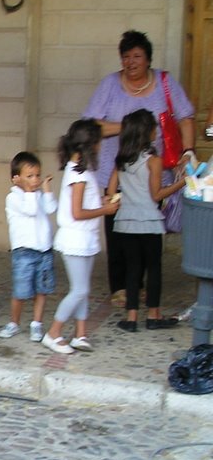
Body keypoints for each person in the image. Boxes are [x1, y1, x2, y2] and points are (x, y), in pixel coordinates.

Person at [82, 30, 195, 308]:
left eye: (137, 56)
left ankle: (140, 285)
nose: (131, 62)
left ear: (148, 59)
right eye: (126, 57)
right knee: (117, 227)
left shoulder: (166, 83)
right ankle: (120, 286)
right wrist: (131, 129)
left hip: (155, 170)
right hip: (115, 169)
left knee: (148, 228)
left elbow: (186, 117)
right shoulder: (110, 84)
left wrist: (188, 151)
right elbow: (91, 125)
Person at [43, 119, 121, 354]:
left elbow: (82, 204)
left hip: (85, 239)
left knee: (83, 288)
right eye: (99, 141)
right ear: (91, 144)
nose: (101, 146)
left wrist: (101, 202)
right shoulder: (78, 173)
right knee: (79, 290)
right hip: (75, 239)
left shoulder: (81, 170)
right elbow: (77, 212)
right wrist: (105, 210)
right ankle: (54, 333)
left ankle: (80, 333)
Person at [107, 109, 186, 332]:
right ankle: (153, 315)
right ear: (146, 132)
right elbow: (156, 195)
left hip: (125, 222)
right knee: (154, 268)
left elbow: (112, 191)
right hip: (149, 221)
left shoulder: (121, 161)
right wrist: (182, 182)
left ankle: (131, 318)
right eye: (154, 127)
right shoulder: (153, 161)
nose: (156, 131)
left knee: (133, 270)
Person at [0, 151, 57, 343]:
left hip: (44, 250)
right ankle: (14, 322)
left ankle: (36, 324)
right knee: (21, 291)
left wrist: (46, 190)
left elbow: (50, 209)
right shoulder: (13, 198)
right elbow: (30, 211)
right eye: (29, 176)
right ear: (16, 178)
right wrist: (30, 191)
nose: (35, 180)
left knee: (42, 290)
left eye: (37, 175)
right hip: (24, 252)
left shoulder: (37, 195)